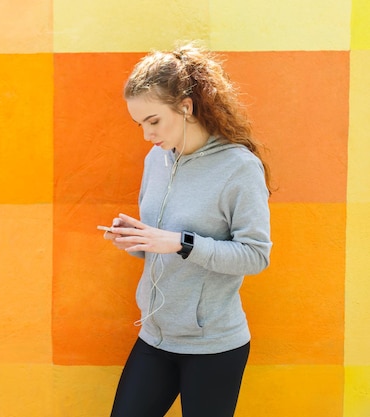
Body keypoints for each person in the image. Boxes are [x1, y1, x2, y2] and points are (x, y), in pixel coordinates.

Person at [102, 41, 273, 417]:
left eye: (153, 121)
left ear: (185, 107)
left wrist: (181, 243)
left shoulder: (239, 167)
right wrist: (135, 238)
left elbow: (255, 255)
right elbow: (159, 245)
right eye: (140, 124)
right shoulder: (156, 159)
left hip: (213, 345)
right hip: (155, 336)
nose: (147, 135)